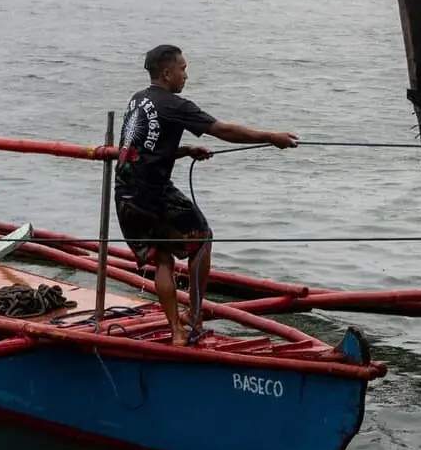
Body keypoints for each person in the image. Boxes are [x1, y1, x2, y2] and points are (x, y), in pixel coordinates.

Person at [114, 44, 298, 346]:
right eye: (183, 69)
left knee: (163, 258)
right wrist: (270, 137)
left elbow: (145, 146)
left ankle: (176, 330)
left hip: (125, 195)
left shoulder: (137, 100)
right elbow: (222, 129)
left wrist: (184, 150)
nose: (186, 75)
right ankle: (195, 315)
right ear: (166, 72)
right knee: (202, 238)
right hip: (153, 195)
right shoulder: (176, 105)